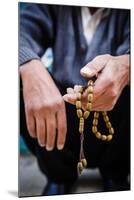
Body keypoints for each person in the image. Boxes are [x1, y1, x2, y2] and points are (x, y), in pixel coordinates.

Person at [19, 3, 130, 195]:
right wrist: (28, 65)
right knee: (18, 79)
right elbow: (18, 31)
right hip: (62, 116)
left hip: (118, 119)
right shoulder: (49, 6)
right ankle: (58, 176)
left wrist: (127, 66)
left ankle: (116, 174)